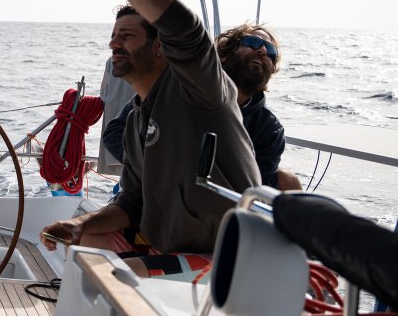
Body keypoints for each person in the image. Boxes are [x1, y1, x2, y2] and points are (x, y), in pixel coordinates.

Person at [40, 0, 261, 277]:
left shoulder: (199, 88)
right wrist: (80, 225)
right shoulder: (134, 120)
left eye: (127, 36)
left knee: (122, 278)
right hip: (165, 244)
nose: (114, 44)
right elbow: (131, 202)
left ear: (160, 47)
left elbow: (185, 29)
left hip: (226, 256)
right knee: (85, 242)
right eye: (114, 36)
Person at [103, 22, 302, 191]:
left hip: (215, 211)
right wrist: (153, 170)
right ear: (225, 54)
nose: (263, 51)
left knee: (288, 181)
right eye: (253, 42)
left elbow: (253, 190)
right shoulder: (175, 88)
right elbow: (114, 133)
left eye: (271, 52)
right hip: (153, 195)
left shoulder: (269, 129)